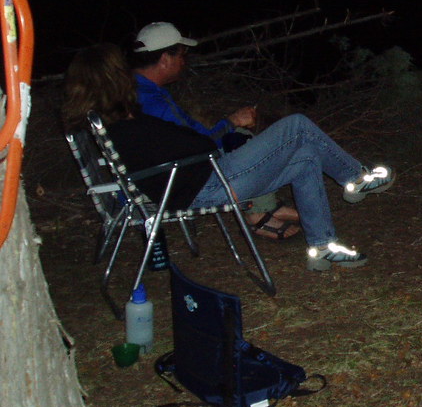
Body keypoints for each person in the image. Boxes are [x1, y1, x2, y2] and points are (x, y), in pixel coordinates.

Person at [62, 43, 394, 271]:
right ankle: (356, 178)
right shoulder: (128, 126)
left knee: (307, 155)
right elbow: (195, 147)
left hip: (201, 179)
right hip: (209, 183)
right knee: (297, 126)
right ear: (114, 78)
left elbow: (182, 145)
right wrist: (211, 138)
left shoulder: (116, 121)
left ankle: (322, 247)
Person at [128, 21, 299, 241]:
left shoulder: (136, 90)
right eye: (181, 55)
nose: (183, 62)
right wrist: (231, 121)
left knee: (238, 136)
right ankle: (258, 215)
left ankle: (267, 207)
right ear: (165, 59)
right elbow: (201, 143)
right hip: (176, 178)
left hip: (161, 171)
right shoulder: (152, 102)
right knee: (242, 141)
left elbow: (185, 137)